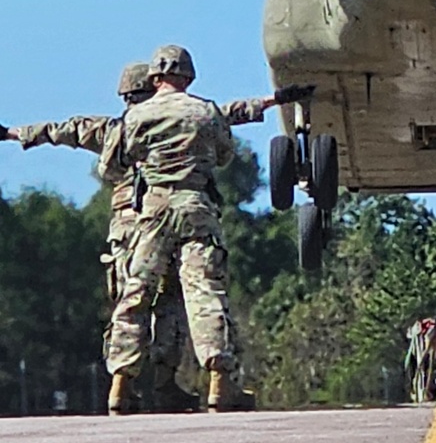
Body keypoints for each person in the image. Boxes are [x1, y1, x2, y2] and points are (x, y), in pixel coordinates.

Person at [2, 59, 308, 412]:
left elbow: (63, 131)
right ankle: (185, 382)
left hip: (142, 224)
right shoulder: (193, 113)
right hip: (184, 212)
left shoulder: (116, 126)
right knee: (186, 299)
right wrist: (276, 99)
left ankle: (124, 383)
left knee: (133, 300)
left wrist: (12, 133)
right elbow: (227, 116)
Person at [104, 45, 309, 415]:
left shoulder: (135, 117)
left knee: (137, 291)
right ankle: (219, 382)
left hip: (153, 211)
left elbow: (118, 161)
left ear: (154, 77)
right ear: (189, 76)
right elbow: (224, 154)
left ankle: (120, 384)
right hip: (195, 206)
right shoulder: (204, 111)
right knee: (204, 291)